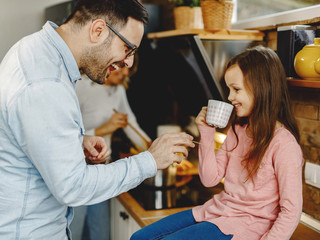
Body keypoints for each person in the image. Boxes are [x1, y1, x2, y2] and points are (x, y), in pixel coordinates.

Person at [0, 0, 194, 239]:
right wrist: (150, 160)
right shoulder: (45, 82)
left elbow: (28, 129)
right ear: (98, 30)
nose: (129, 62)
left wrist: (75, 139)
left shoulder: (34, 50)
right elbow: (73, 186)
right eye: (127, 49)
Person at [130, 46, 304, 240]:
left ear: (262, 87)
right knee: (139, 238)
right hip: (215, 211)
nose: (230, 97)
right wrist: (206, 131)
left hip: (246, 225)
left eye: (236, 89)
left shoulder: (284, 144)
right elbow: (210, 179)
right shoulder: (238, 130)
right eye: (229, 89)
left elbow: (291, 211)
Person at [71, 62, 152, 240]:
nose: (125, 74)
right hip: (77, 170)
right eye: (122, 67)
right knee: (74, 232)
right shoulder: (82, 86)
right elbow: (67, 134)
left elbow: (131, 124)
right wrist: (105, 128)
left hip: (101, 170)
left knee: (100, 233)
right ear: (110, 63)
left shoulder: (118, 91)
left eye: (129, 70)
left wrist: (151, 148)